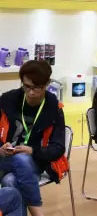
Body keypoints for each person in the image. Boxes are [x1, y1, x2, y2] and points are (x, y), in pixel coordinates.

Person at [0, 61, 68, 216]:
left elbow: (58, 148)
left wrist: (32, 151)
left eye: (37, 88)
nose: (31, 93)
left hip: (34, 161)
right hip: (4, 158)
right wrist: (1, 148)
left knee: (11, 180)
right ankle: (38, 212)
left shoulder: (54, 108)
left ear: (47, 84)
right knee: (20, 160)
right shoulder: (7, 101)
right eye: (26, 86)